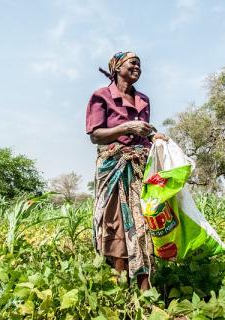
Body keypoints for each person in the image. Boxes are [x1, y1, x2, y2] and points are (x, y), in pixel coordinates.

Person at [85, 51, 166, 290]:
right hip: (114, 168)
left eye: (140, 64)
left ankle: (143, 284)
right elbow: (95, 135)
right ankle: (119, 285)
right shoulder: (101, 96)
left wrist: (154, 136)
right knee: (117, 223)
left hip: (139, 168)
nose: (137, 68)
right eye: (133, 63)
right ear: (117, 66)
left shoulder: (144, 100)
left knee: (142, 223)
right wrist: (127, 126)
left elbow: (144, 135)